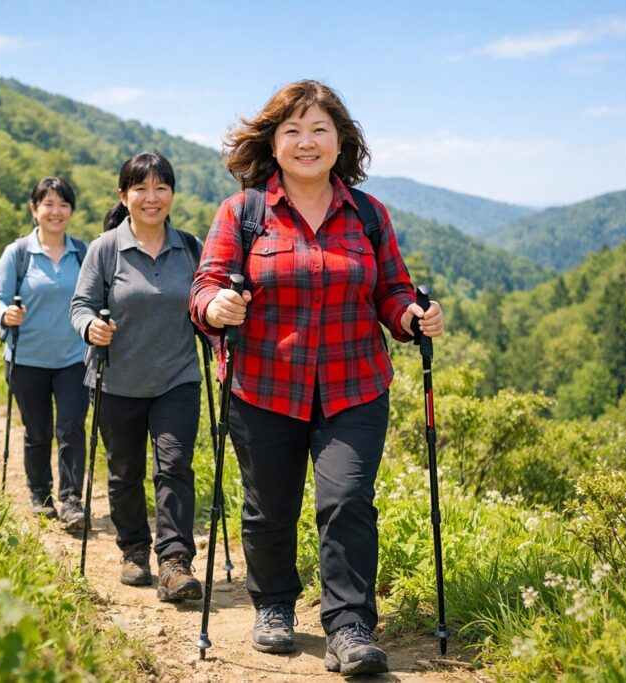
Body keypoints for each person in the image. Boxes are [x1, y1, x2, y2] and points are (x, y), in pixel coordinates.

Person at [190, 80, 444, 676]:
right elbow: (206, 286)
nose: (307, 142)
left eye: (319, 130)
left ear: (340, 141)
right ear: (273, 143)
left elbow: (391, 290)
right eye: (293, 131)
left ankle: (349, 625)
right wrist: (214, 307)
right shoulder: (243, 213)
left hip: (354, 385)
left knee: (348, 500)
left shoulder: (368, 214)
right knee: (268, 507)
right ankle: (274, 605)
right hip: (264, 386)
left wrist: (411, 316)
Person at [70, 152, 205, 603]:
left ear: (172, 194)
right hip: (116, 380)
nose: (152, 197)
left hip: (177, 379)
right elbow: (80, 306)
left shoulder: (190, 248)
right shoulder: (105, 248)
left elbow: (205, 304)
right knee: (124, 472)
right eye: (141, 188)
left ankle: (174, 562)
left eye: (161, 187)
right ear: (124, 195)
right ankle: (133, 550)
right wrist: (91, 327)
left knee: (174, 466)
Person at [0, 177, 89, 531]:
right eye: (48, 204)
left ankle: (72, 500)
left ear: (71, 211)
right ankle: (41, 496)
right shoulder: (17, 253)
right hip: (26, 359)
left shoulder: (83, 253)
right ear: (34, 210)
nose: (55, 211)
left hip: (74, 359)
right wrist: (5, 314)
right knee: (38, 431)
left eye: (63, 204)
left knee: (71, 429)